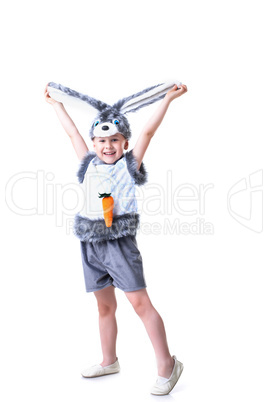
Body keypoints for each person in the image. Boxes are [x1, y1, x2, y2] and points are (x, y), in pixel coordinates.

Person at [44, 82, 187, 395]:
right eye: (101, 140)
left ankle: (167, 364)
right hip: (90, 243)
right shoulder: (88, 164)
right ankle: (109, 360)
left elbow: (148, 132)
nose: (107, 145)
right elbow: (72, 135)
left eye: (114, 140)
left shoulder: (128, 165)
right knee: (104, 306)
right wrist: (58, 106)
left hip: (119, 243)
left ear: (124, 143)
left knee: (140, 304)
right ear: (94, 143)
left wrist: (167, 100)